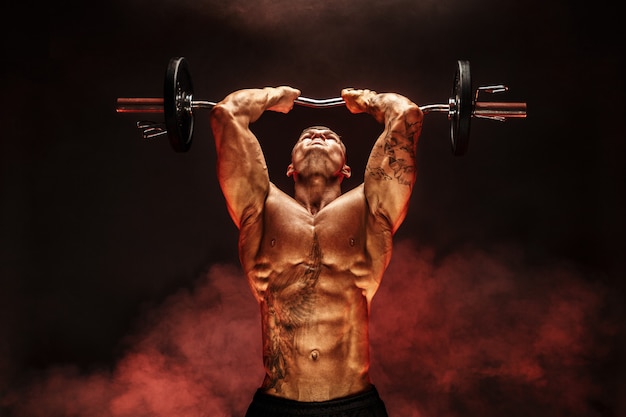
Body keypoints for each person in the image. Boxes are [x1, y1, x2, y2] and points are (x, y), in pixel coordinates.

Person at [210, 86, 423, 417]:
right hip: (277, 407)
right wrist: (274, 96)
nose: (319, 134)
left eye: (332, 137)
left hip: (354, 406)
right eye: (305, 137)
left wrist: (367, 100)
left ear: (347, 170)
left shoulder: (371, 210)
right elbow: (227, 114)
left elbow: (407, 115)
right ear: (290, 168)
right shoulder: (260, 207)